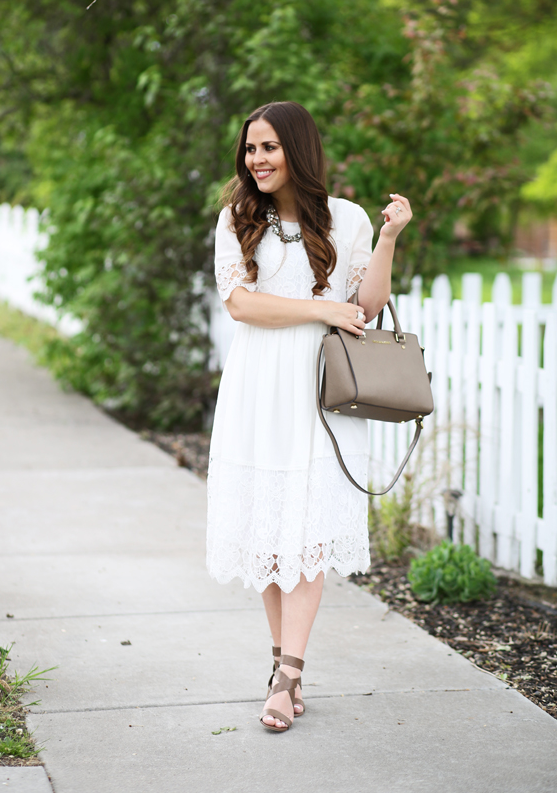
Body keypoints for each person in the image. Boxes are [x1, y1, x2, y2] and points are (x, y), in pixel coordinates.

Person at [206, 100, 412, 733]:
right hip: (258, 387)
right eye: (250, 149)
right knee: (269, 534)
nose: (257, 160)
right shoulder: (238, 218)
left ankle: (288, 674)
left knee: (310, 533)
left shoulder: (344, 218)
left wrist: (387, 238)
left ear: (297, 149)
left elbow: (368, 305)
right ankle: (282, 667)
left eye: (269, 147)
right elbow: (240, 305)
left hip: (320, 388)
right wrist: (321, 310)